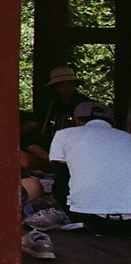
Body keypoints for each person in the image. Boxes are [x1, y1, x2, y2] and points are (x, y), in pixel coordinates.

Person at [47, 101, 131, 237]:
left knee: (59, 187)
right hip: (128, 225)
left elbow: (61, 177)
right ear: (112, 123)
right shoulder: (128, 138)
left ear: (77, 121)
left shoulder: (63, 134)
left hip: (89, 219)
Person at [32, 65, 92, 149]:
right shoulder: (47, 103)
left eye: (69, 83)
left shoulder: (85, 103)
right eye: (61, 84)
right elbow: (34, 123)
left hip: (77, 143)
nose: (66, 87)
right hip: (51, 143)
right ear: (55, 86)